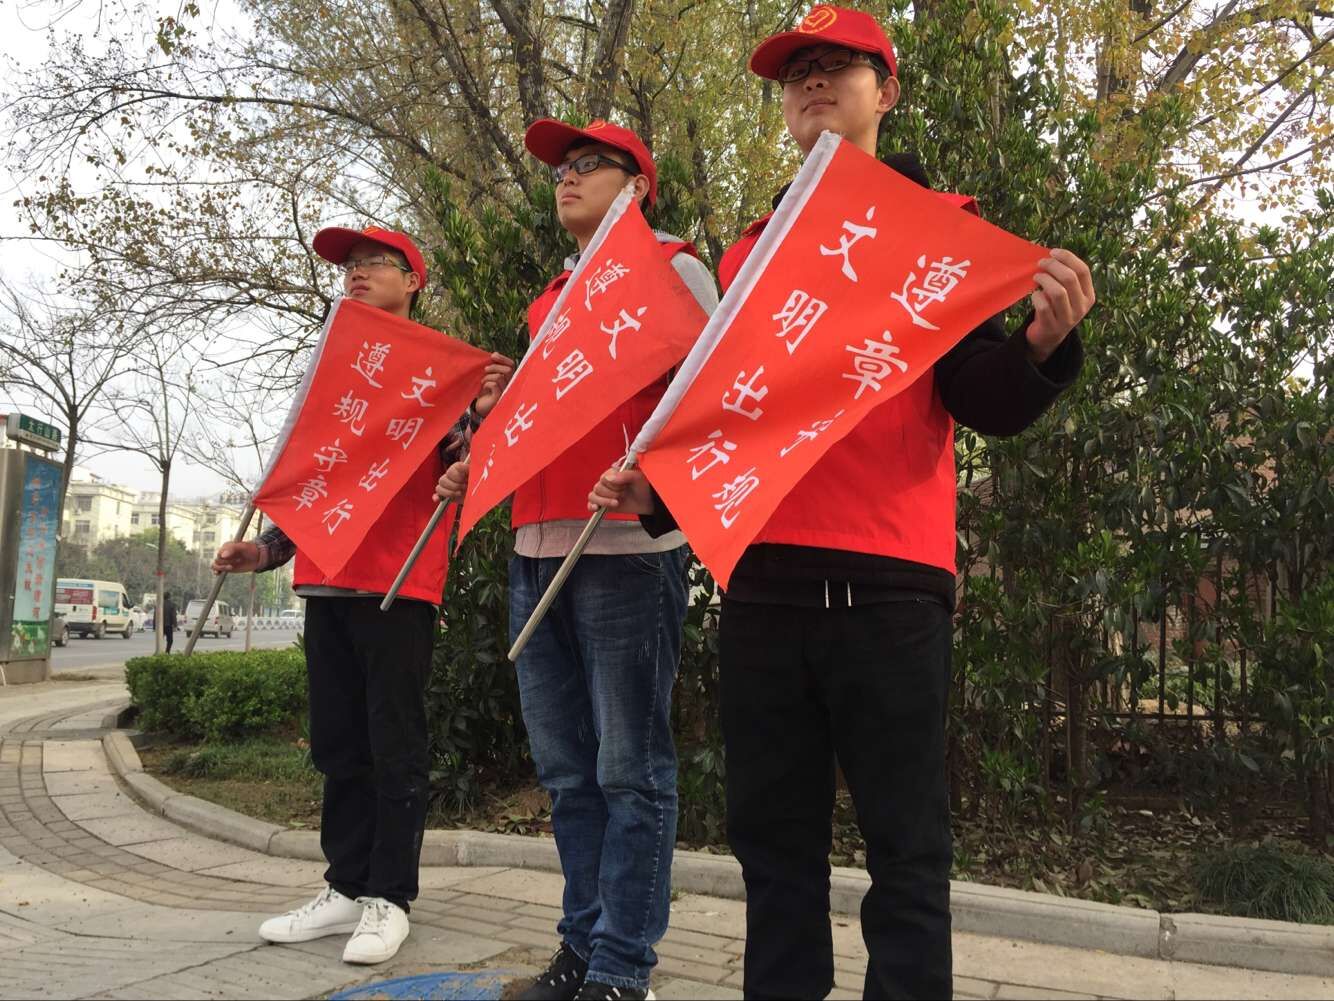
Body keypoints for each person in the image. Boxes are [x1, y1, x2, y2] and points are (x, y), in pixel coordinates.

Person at [588, 8, 1096, 998]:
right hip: (764, 587)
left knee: (906, 849)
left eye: (838, 66)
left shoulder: (936, 234)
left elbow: (980, 398)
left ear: (886, 91)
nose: (813, 82)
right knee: (772, 846)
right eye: (797, 73)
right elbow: (735, 422)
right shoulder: (750, 255)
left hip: (891, 586)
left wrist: (1042, 342)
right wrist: (660, 492)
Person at [434, 119, 718, 1001]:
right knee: (566, 771)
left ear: (637, 186)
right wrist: (487, 436)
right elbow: (549, 420)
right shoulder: (552, 298)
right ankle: (583, 947)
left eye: (589, 164)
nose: (567, 176)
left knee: (630, 767)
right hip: (536, 546)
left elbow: (713, 390)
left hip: (624, 547)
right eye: (562, 167)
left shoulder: (674, 269)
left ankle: (623, 966)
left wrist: (658, 486)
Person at [210, 225, 512, 965]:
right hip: (324, 577)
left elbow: (472, 464)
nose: (357, 273)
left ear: (414, 280)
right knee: (339, 742)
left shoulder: (444, 371)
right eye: (349, 265)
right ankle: (344, 885)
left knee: (393, 742)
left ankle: (389, 897)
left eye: (376, 262)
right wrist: (265, 551)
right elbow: (314, 476)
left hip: (397, 580)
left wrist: (481, 413)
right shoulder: (331, 372)